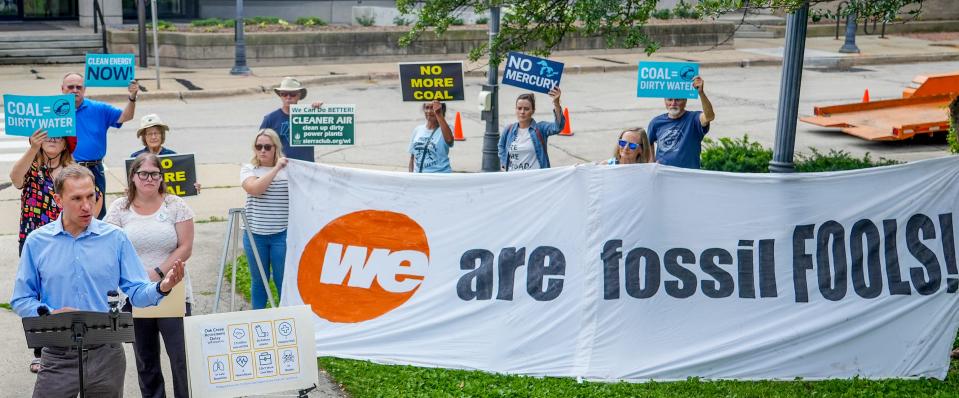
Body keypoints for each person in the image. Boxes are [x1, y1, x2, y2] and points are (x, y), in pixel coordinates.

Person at [11, 165, 185, 398]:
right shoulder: (37, 242)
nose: (86, 206)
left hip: (107, 354)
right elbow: (22, 299)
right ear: (58, 199)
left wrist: (161, 287)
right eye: (76, 198)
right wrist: (50, 313)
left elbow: (136, 290)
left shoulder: (115, 238)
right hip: (59, 355)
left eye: (91, 196)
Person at [9, 128, 103, 374]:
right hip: (33, 240)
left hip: (65, 239)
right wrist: (32, 147)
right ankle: (41, 350)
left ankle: (71, 338)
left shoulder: (74, 172)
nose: (52, 141)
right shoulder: (32, 166)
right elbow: (15, 179)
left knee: (64, 288)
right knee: (35, 295)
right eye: (48, 138)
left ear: (66, 145)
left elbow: (97, 198)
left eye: (58, 138)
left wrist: (87, 225)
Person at [105, 153, 195, 398]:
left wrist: (157, 273)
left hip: (173, 291)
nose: (149, 178)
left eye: (154, 174)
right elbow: (111, 248)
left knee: (181, 358)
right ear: (133, 177)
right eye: (143, 173)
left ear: (161, 177)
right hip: (134, 295)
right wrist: (138, 276)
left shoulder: (175, 205)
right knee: (146, 360)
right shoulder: (119, 208)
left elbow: (185, 247)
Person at [61, 72, 139, 219]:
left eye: (79, 87)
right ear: (62, 89)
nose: (75, 90)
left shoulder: (99, 109)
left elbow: (125, 116)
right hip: (66, 169)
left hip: (94, 169)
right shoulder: (54, 110)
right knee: (68, 211)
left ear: (84, 89)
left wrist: (132, 97)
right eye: (70, 87)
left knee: (97, 211)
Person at [241, 129, 289, 309]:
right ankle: (258, 320)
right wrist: (276, 168)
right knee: (259, 280)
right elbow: (254, 189)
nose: (262, 151)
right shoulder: (248, 169)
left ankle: (285, 320)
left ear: (276, 148)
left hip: (281, 234)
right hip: (254, 235)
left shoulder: (289, 170)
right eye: (258, 146)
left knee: (282, 279)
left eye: (267, 147)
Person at [646, 76, 715, 169]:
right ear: (665, 101)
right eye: (669, 99)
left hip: (688, 176)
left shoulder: (694, 119)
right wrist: (651, 163)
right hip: (663, 175)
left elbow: (709, 116)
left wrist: (701, 93)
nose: (673, 103)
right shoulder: (656, 122)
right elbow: (648, 142)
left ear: (685, 101)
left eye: (678, 99)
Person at [498, 87, 566, 172]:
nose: (522, 112)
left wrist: (556, 103)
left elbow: (558, 127)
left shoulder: (540, 128)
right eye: (519, 108)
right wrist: (504, 163)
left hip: (535, 179)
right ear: (515, 110)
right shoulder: (508, 130)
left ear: (533, 111)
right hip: (514, 178)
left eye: (526, 109)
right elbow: (501, 146)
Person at [129, 114, 201, 193]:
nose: (153, 137)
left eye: (156, 133)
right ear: (144, 137)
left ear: (162, 135)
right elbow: (132, 185)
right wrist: (129, 192)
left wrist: (192, 187)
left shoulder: (173, 156)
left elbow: (182, 183)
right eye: (149, 134)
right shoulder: (135, 157)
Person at [260, 77, 324, 162]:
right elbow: (260, 146)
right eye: (284, 94)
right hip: (281, 168)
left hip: (306, 166)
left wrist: (321, 110)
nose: (288, 97)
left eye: (292, 94)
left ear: (299, 95)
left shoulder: (309, 116)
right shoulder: (270, 119)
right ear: (280, 95)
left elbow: (329, 129)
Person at [408, 100, 454, 173]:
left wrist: (439, 114)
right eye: (427, 107)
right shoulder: (417, 130)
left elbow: (449, 141)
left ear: (442, 110)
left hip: (440, 177)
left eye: (432, 108)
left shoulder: (447, 128)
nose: (429, 111)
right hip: (419, 178)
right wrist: (411, 176)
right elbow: (412, 158)